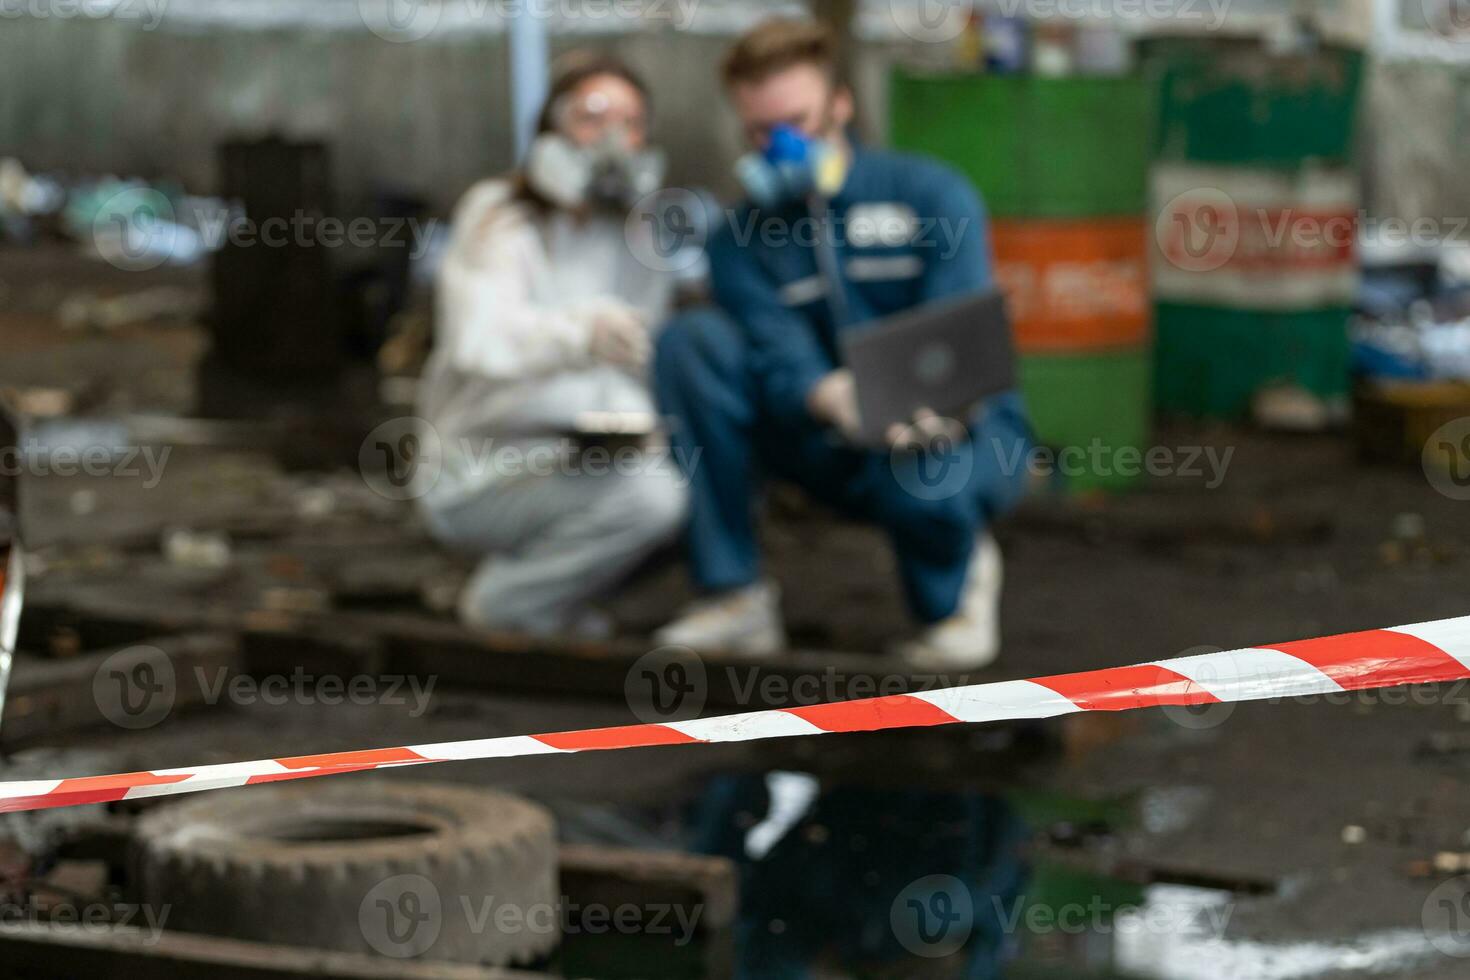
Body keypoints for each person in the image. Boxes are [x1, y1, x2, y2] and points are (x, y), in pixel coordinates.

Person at [653, 19, 1032, 669]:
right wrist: (830, 395)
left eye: (798, 122)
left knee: (931, 475)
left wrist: (919, 403)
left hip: (948, 434)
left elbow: (960, 338)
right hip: (826, 436)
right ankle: (734, 594)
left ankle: (955, 585)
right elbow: (773, 347)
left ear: (842, 104)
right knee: (693, 341)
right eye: (760, 132)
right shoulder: (739, 239)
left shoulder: (929, 198)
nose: (780, 146)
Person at [417, 53, 687, 638]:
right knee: (654, 501)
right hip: (485, 469)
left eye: (632, 121)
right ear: (551, 128)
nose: (614, 137)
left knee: (705, 477)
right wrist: (579, 333)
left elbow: (642, 364)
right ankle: (510, 605)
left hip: (589, 463)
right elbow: (480, 343)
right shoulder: (498, 216)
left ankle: (555, 599)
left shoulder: (639, 238)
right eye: (592, 116)